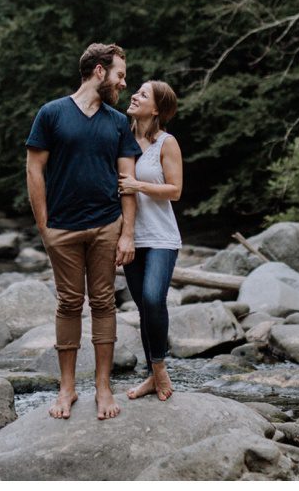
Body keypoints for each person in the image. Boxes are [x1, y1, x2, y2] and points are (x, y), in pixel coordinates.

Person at [26, 43, 141, 420]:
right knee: (69, 304)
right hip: (62, 228)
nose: (123, 83)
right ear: (99, 71)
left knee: (104, 303)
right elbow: (34, 170)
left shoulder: (118, 122)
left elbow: (128, 181)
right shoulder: (51, 113)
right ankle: (67, 388)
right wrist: (44, 227)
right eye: (120, 75)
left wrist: (127, 232)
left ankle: (103, 388)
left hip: (106, 225)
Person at [119, 80, 183, 402]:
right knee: (144, 308)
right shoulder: (123, 140)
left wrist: (138, 185)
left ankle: (159, 368)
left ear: (156, 108)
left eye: (143, 94)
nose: (134, 95)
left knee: (153, 299)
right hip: (131, 237)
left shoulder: (166, 143)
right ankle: (151, 376)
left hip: (161, 237)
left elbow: (175, 190)